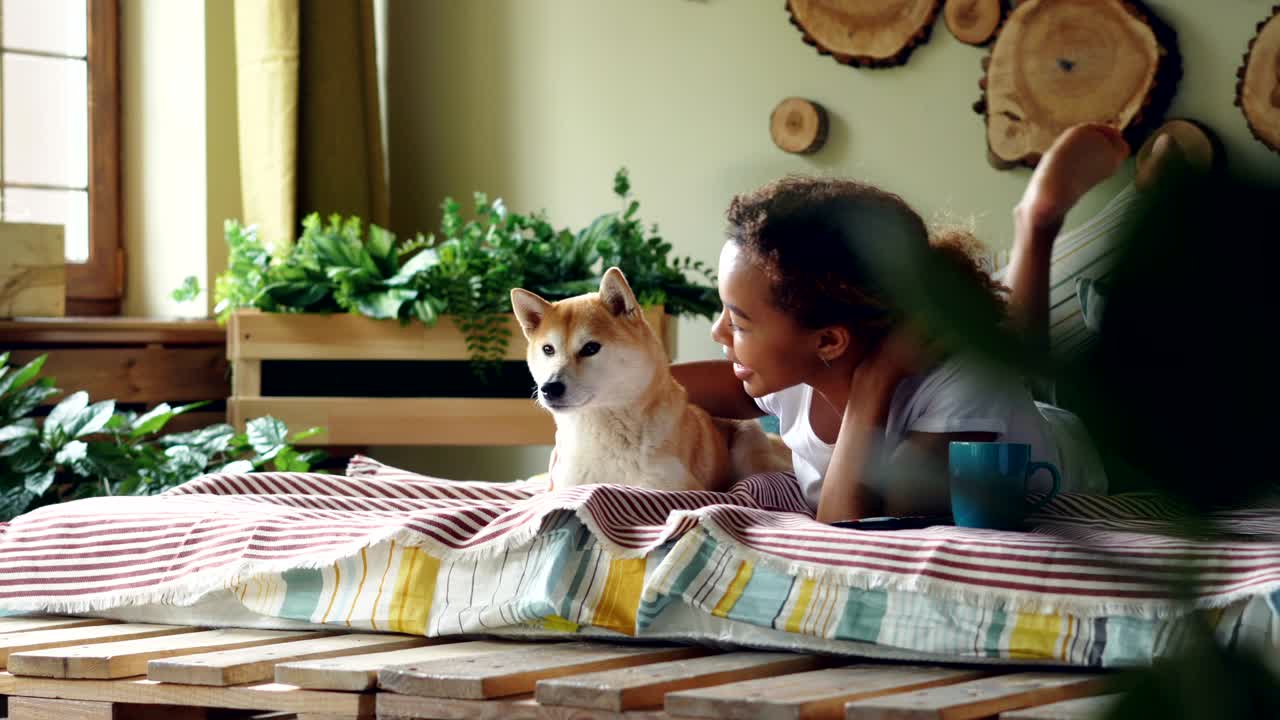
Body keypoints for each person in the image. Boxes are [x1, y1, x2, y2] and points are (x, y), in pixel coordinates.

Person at [672, 124, 1131, 522]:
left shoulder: (957, 389)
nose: (718, 332)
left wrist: (875, 382)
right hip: (979, 391)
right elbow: (659, 388)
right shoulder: (794, 368)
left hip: (1082, 456)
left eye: (739, 322)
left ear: (828, 341)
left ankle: (1039, 222)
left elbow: (857, 528)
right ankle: (1034, 227)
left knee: (1011, 363)